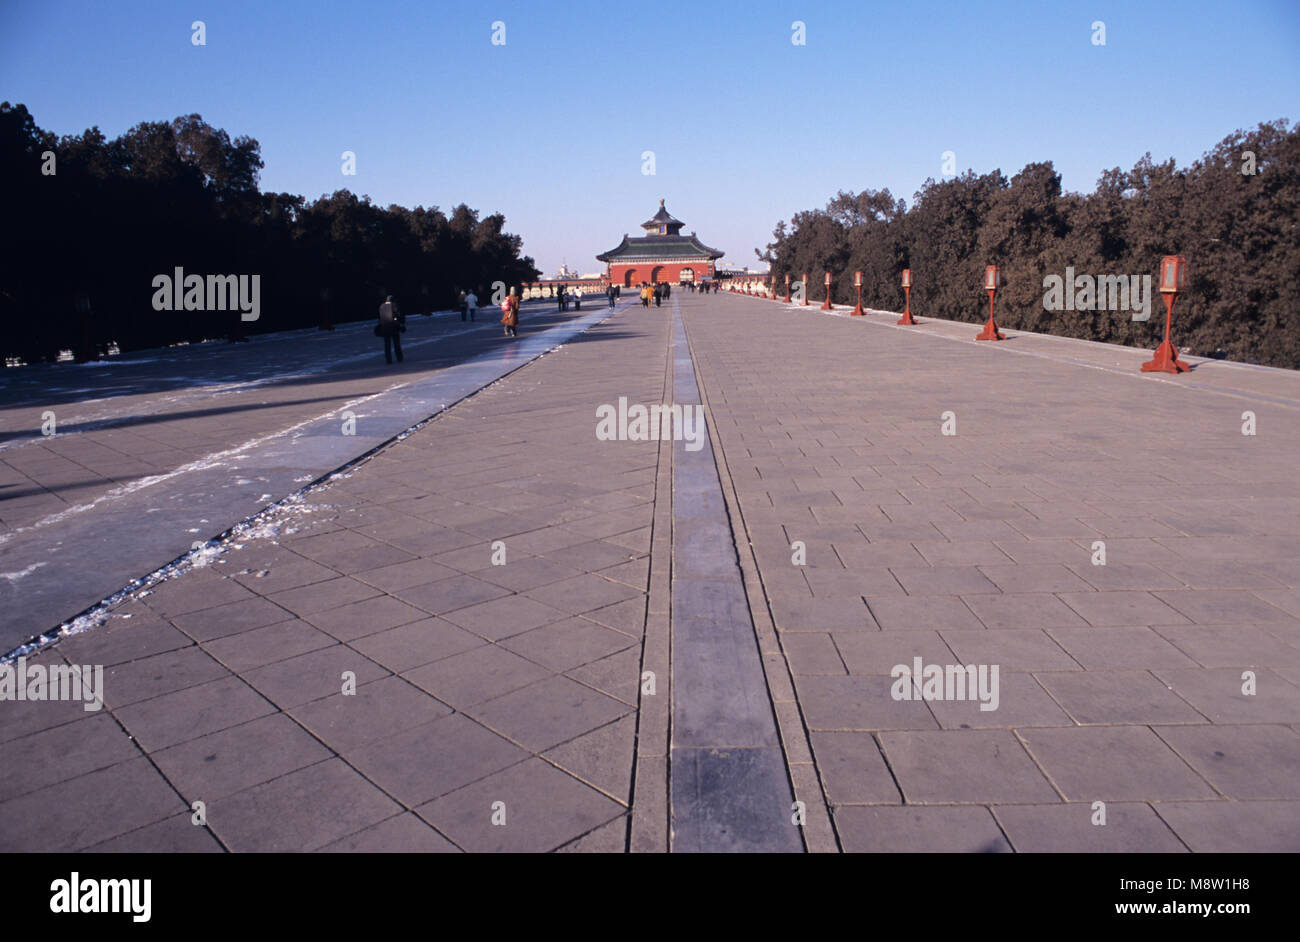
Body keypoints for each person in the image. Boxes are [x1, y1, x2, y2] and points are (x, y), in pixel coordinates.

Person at [378, 295, 403, 363]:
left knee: (387, 344)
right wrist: (399, 323)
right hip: (393, 326)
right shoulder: (394, 305)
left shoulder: (381, 306)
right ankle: (399, 357)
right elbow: (397, 315)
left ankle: (388, 359)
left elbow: (380, 317)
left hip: (385, 327)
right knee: (396, 343)